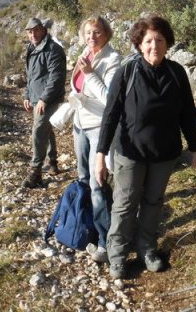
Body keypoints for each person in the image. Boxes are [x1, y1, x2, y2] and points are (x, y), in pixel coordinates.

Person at [95, 15, 196, 279]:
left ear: (167, 43)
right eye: (148, 41)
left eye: (160, 40)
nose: (154, 46)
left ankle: (147, 248)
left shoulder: (176, 73)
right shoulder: (127, 72)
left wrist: (195, 149)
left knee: (153, 202)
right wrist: (100, 154)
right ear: (139, 44)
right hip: (130, 152)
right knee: (125, 203)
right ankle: (117, 255)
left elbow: (187, 114)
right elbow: (110, 115)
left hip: (164, 153)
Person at [70, 16, 121, 263]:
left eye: (97, 32)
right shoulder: (85, 53)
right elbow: (77, 87)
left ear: (107, 34)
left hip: (99, 127)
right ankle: (89, 227)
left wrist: (89, 73)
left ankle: (106, 242)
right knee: (84, 178)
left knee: (97, 183)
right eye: (88, 32)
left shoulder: (113, 59)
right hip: (79, 125)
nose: (92, 37)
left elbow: (109, 98)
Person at [22, 18, 67, 188]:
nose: (33, 34)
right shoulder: (32, 48)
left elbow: (57, 77)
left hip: (49, 98)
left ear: (43, 30)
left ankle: (36, 171)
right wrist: (27, 95)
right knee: (46, 128)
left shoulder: (53, 49)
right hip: (36, 97)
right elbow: (31, 76)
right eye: (30, 32)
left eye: (36, 30)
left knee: (39, 130)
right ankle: (52, 161)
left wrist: (44, 99)